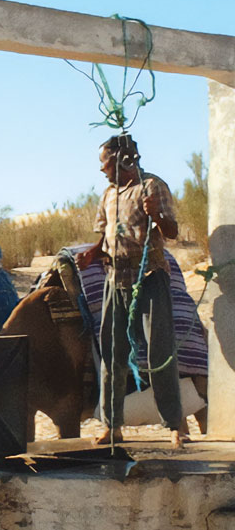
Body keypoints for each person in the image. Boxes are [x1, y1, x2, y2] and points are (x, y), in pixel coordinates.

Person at [76, 133, 187, 449]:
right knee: (112, 353)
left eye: (104, 162)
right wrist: (93, 253)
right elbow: (105, 233)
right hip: (116, 279)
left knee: (159, 352)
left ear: (122, 159)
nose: (101, 170)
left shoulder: (152, 186)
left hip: (149, 278)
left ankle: (175, 426)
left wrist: (158, 215)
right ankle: (113, 427)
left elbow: (172, 232)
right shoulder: (109, 193)